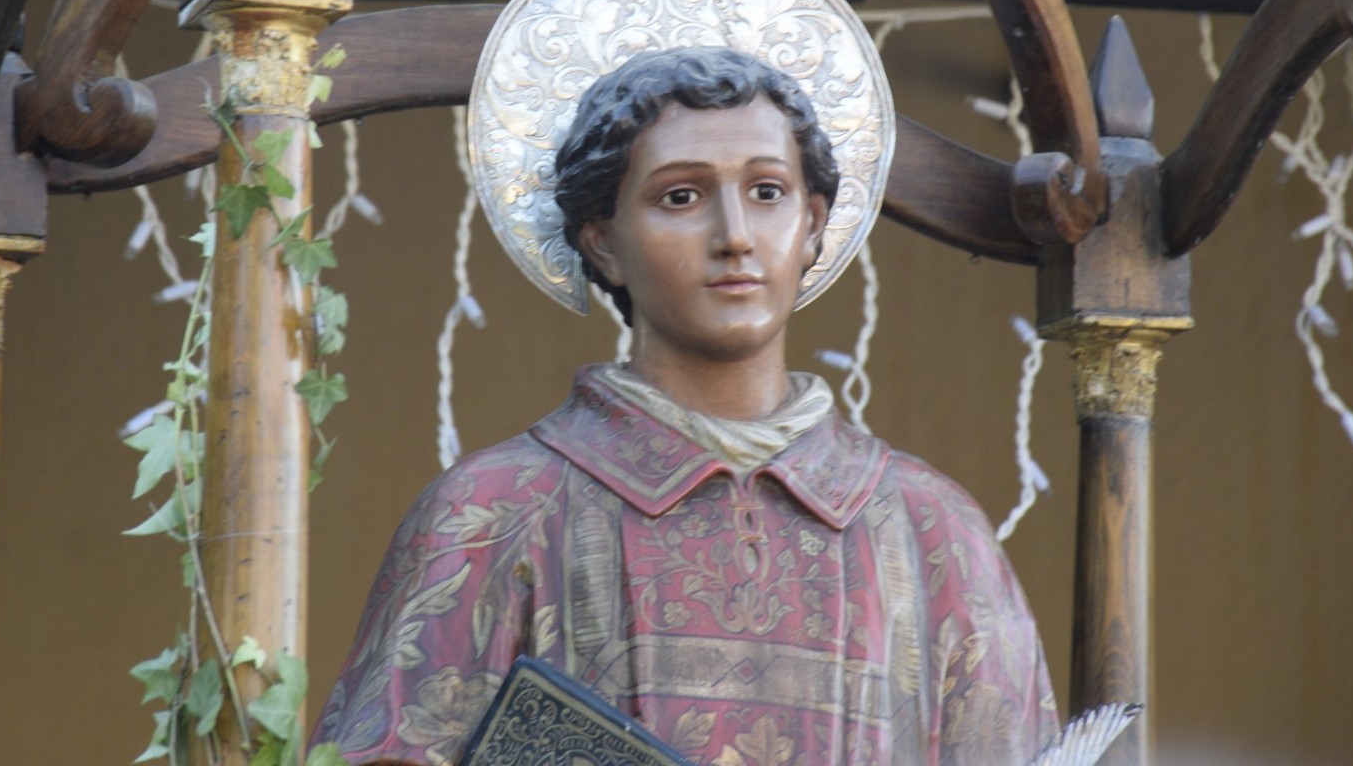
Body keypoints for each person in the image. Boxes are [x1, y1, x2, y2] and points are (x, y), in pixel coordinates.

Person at [314, 44, 1058, 766]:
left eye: (767, 192)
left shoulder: (935, 530)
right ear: (603, 242)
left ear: (812, 225)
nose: (735, 237)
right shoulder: (491, 512)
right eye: (681, 197)